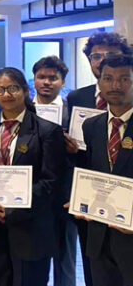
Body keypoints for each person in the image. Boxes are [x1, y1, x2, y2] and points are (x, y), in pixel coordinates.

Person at [0, 67, 64, 286]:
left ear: (25, 91)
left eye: (13, 88)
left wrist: (13, 207)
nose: (6, 94)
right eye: (1, 89)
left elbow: (51, 182)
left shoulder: (47, 131)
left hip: (30, 226)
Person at [66, 31, 131, 286]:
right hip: (99, 232)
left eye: (124, 79)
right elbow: (91, 169)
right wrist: (80, 199)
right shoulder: (92, 126)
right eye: (108, 78)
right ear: (100, 83)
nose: (115, 85)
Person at [32, 55, 76, 286]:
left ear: (62, 82)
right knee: (33, 258)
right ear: (34, 79)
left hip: (64, 194)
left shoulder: (74, 113)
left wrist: (74, 150)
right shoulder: (24, 110)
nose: (46, 82)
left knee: (65, 258)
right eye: (41, 77)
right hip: (32, 192)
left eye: (53, 78)